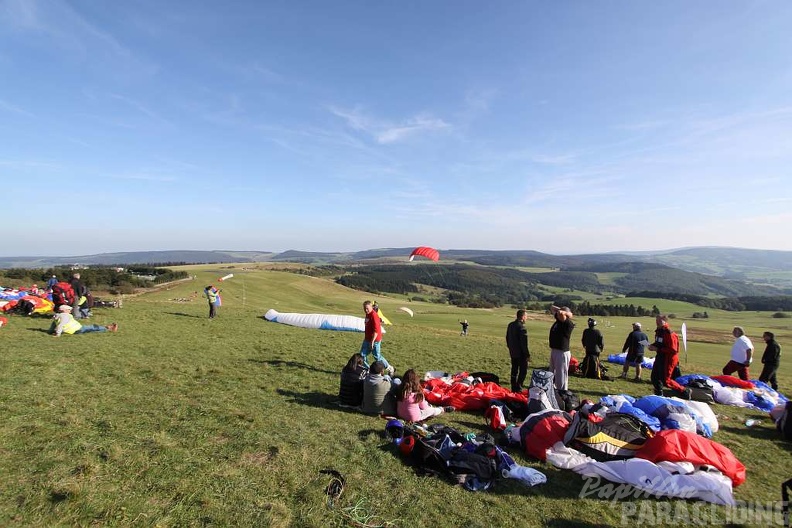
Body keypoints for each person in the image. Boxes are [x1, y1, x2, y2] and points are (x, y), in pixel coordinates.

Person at [647, 315, 688, 397]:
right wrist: (652, 346)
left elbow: (673, 350)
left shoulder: (669, 333)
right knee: (654, 377)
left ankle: (684, 391)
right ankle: (659, 394)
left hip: (668, 359)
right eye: (656, 320)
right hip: (660, 357)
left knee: (666, 380)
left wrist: (658, 349)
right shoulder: (659, 331)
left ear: (665, 321)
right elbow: (659, 343)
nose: (657, 322)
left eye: (659, 321)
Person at [360, 300, 393, 375]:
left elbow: (376, 331)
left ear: (371, 307)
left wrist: (372, 342)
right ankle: (368, 369)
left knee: (377, 357)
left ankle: (390, 368)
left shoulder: (374, 316)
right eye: (364, 308)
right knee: (362, 355)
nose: (366, 310)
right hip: (367, 339)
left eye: (367, 308)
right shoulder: (367, 314)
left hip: (375, 340)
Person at [548, 305, 575, 390]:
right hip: (555, 350)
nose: (557, 314)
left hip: (562, 352)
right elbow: (552, 307)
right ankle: (553, 391)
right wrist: (562, 311)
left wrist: (567, 313)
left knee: (561, 375)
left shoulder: (567, 323)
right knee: (552, 373)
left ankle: (562, 393)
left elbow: (561, 313)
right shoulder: (559, 321)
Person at [50, 305, 118, 337]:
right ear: (64, 310)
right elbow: (61, 325)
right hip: (76, 329)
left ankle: (108, 329)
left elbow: (54, 324)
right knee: (92, 327)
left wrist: (50, 331)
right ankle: (109, 327)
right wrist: (57, 334)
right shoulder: (65, 315)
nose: (70, 310)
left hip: (75, 330)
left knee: (91, 330)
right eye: (69, 309)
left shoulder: (58, 316)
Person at [506, 310, 530, 392]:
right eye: (526, 316)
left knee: (514, 370)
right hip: (521, 353)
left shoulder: (510, 325)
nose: (526, 318)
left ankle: (513, 386)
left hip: (513, 351)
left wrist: (510, 347)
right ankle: (518, 387)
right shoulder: (522, 327)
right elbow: (524, 343)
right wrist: (527, 354)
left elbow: (507, 338)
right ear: (523, 317)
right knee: (523, 370)